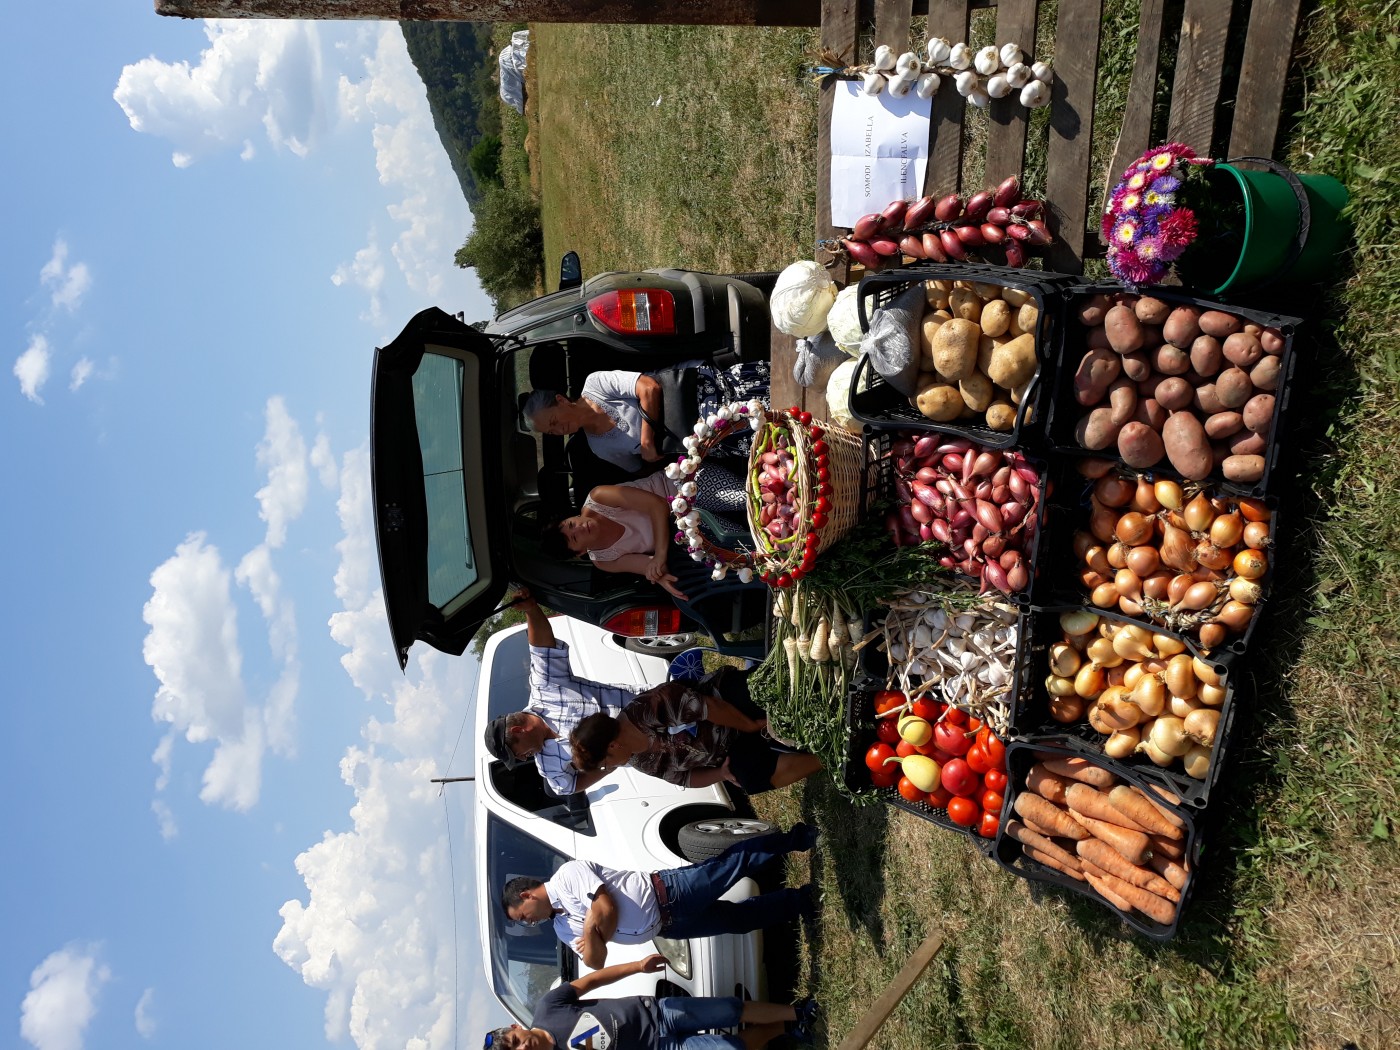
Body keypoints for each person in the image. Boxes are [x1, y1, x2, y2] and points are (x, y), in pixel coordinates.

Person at [500, 822, 819, 968]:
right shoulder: (560, 927)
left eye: (524, 917)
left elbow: (607, 909)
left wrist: (592, 932)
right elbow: (596, 962)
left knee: (732, 865)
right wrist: (593, 924)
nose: (531, 923)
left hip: (671, 892)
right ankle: (802, 901)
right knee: (738, 920)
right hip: (669, 925)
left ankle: (797, 838)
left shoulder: (567, 877)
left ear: (526, 895)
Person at [482, 589, 645, 796]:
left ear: (518, 731)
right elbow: (567, 786)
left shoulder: (545, 689)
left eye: (516, 754)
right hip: (653, 751)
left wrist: (531, 610)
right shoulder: (546, 764)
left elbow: (542, 649)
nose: (523, 758)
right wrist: (609, 766)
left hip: (656, 706)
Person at [481, 953, 820, 1050]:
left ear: (515, 1027)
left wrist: (637, 966)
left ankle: (799, 1011)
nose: (521, 1047)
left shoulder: (547, 1008)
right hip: (658, 1048)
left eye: (514, 1041)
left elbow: (592, 980)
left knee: (731, 1009)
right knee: (731, 1048)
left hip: (657, 1013)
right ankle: (786, 1028)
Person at [569, 674, 823, 796]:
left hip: (727, 702)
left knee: (760, 696)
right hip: (730, 747)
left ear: (612, 746)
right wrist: (721, 773)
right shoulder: (639, 761)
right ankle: (826, 759)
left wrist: (750, 726)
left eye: (605, 764)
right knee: (749, 778)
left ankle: (818, 691)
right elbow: (685, 778)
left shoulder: (648, 709)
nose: (609, 768)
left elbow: (711, 707)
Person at [522, 360, 770, 475]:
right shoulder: (599, 448)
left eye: (553, 421)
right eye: (552, 432)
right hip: (699, 436)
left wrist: (647, 442)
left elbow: (648, 387)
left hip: (693, 393)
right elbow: (639, 467)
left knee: (735, 415)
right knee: (726, 438)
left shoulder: (595, 385)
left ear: (561, 400)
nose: (559, 430)